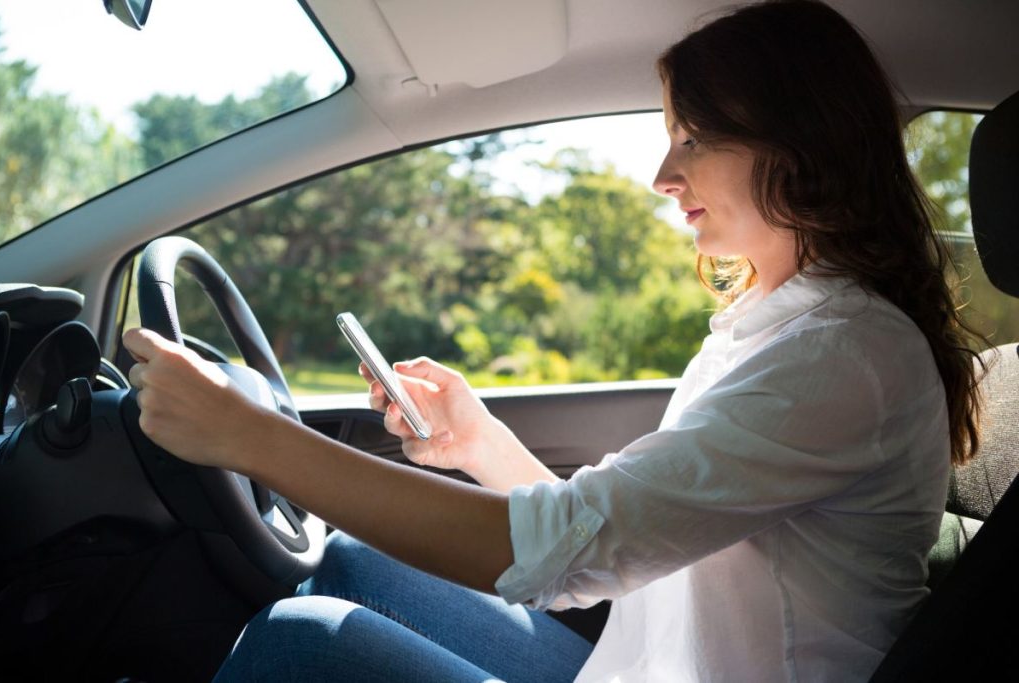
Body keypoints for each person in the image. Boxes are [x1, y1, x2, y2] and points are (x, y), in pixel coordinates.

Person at [121, 0, 985, 680]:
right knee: (350, 567)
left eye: (693, 137)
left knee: (298, 646)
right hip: (638, 668)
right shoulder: (776, 328)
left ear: (795, 145)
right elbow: (622, 538)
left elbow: (571, 550)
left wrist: (251, 437)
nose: (662, 175)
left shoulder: (842, 354)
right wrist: (476, 440)